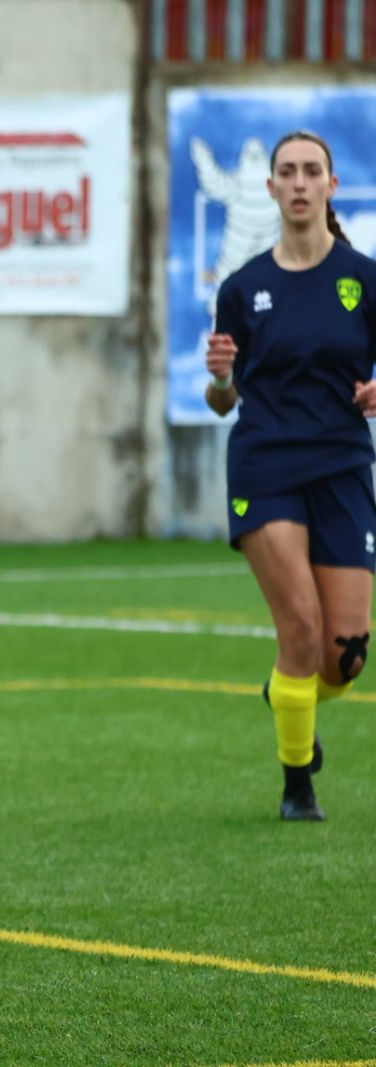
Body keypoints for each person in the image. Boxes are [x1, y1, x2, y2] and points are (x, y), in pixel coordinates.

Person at [203, 129, 376, 821]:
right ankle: (297, 782)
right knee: (299, 630)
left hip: (343, 464)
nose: (299, 182)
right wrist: (220, 379)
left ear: (332, 186)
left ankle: (290, 693)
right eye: (287, 172)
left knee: (345, 658)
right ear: (269, 188)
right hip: (266, 464)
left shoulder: (363, 279)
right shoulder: (243, 289)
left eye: (312, 171)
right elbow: (223, 399)